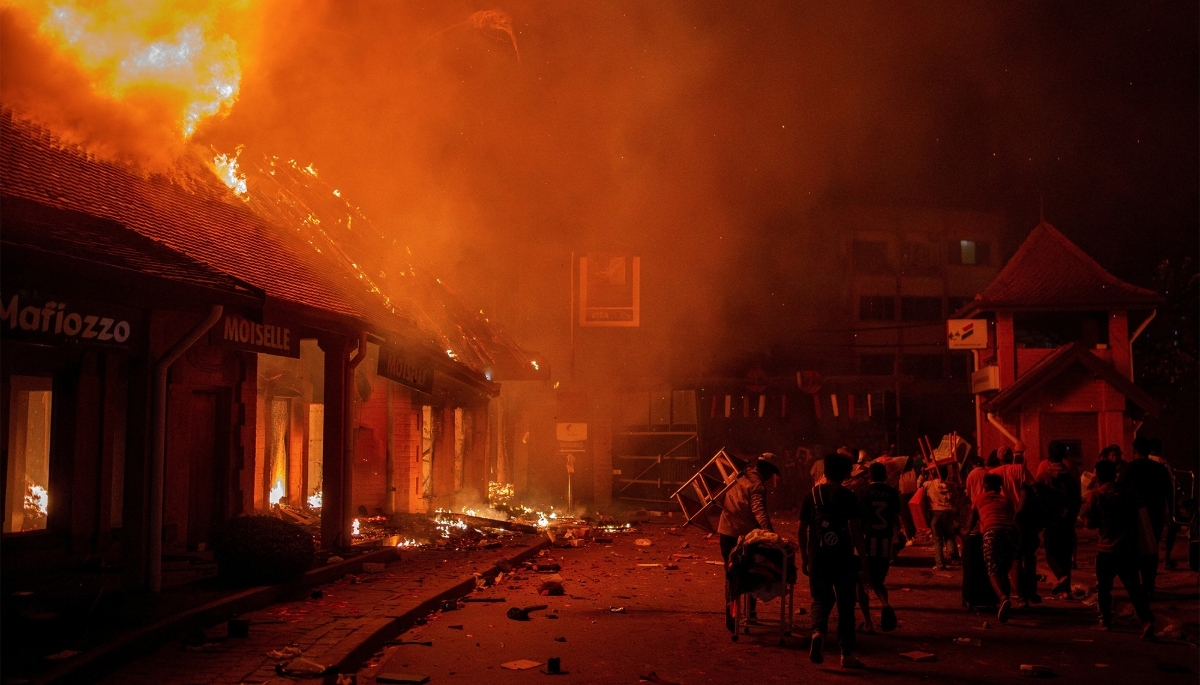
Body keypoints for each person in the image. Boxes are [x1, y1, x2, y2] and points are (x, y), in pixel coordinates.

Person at [799, 454, 869, 669]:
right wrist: (864, 562)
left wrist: (804, 557)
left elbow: (802, 530)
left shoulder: (812, 495)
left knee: (820, 599)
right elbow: (856, 531)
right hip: (843, 557)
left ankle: (818, 632)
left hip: (817, 555)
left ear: (825, 471)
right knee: (846, 604)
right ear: (845, 473)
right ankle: (846, 654)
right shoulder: (849, 496)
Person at [1084, 460, 1156, 638]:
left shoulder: (1096, 495)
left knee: (1103, 588)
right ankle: (1147, 621)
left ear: (1098, 476)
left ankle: (1106, 622)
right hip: (1128, 548)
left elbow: (1090, 523)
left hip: (1106, 549)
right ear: (1114, 474)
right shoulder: (1129, 494)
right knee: (1134, 587)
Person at [718, 455, 780, 629]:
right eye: (771, 473)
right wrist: (769, 533)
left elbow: (721, 496)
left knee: (731, 574)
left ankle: (732, 614)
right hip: (745, 537)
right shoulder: (757, 485)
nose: (770, 478)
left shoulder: (738, 474)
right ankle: (751, 614)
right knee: (752, 571)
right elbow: (759, 510)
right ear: (767, 469)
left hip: (725, 531)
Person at [1119, 437, 1173, 599]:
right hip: (1155, 514)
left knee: (1134, 549)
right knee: (1151, 549)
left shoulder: (1129, 468)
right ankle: (1149, 585)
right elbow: (1169, 492)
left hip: (1133, 515)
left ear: (1135, 450)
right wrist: (1171, 513)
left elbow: (1120, 491)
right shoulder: (1160, 468)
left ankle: (1137, 586)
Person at [857, 462, 901, 633]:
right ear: (885, 476)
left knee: (861, 582)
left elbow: (857, 520)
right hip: (885, 541)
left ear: (869, 475)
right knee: (878, 581)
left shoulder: (863, 493)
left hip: (867, 542)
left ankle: (868, 623)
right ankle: (885, 604)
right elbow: (896, 519)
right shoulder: (892, 493)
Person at [971, 473, 1019, 622]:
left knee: (993, 568)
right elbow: (1011, 517)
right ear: (1000, 486)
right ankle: (1005, 605)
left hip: (992, 531)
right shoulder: (1007, 501)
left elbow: (973, 520)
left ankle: (1003, 598)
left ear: (985, 486)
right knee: (1004, 569)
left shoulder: (979, 499)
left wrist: (966, 532)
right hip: (1010, 533)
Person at [1037, 441, 1082, 596]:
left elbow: (1037, 499)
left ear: (1049, 458)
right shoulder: (1069, 477)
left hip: (1052, 522)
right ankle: (1066, 590)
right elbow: (1077, 499)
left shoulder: (1043, 477)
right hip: (1068, 522)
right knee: (1065, 555)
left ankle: (1061, 578)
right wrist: (1072, 516)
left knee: (1051, 555)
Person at [1148, 439, 1181, 570]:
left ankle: (1152, 560)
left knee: (1153, 533)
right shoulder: (1162, 462)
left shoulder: (1141, 462)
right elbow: (1171, 485)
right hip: (1164, 502)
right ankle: (1166, 558)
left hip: (1149, 502)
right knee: (1171, 529)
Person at [921, 466, 960, 570]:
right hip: (948, 512)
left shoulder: (928, 484)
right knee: (949, 535)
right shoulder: (950, 485)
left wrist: (923, 475)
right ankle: (954, 558)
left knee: (937, 539)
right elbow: (956, 498)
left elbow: (919, 487)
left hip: (935, 513)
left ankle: (940, 564)